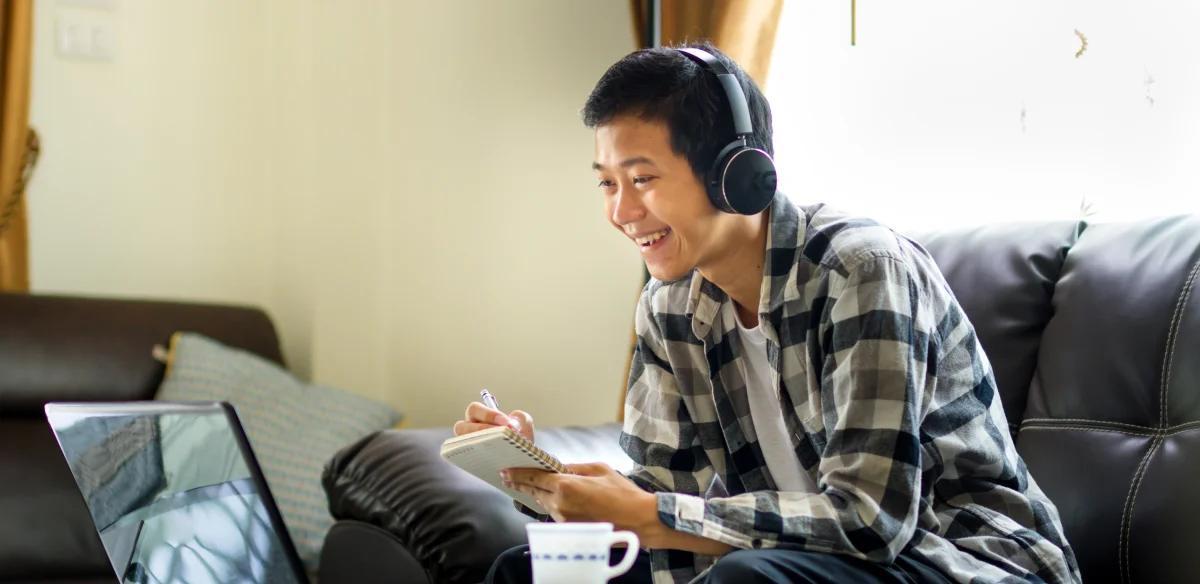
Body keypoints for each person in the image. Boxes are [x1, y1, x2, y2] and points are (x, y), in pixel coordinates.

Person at [455, 42, 1082, 584]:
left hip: (957, 559)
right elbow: (660, 494)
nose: (621, 213)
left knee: (748, 576)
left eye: (642, 179)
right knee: (522, 570)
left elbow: (875, 521)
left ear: (737, 173)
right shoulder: (668, 307)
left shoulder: (861, 271)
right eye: (607, 184)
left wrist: (656, 517)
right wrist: (548, 482)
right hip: (788, 563)